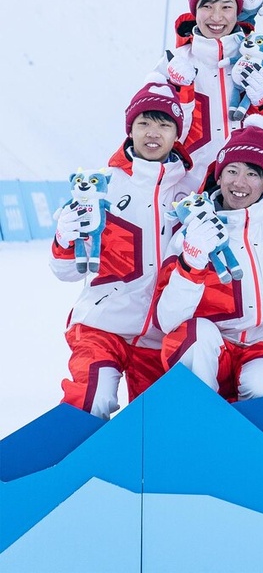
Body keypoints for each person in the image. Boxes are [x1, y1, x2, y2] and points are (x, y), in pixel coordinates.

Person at [52, 76, 196, 419]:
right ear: (130, 129)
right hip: (103, 326)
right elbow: (65, 271)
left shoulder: (190, 193)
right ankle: (71, 468)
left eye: (163, 125)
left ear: (176, 135)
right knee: (92, 400)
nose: (152, 133)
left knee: (158, 424)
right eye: (143, 123)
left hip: (159, 337)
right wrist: (63, 239)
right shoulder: (102, 187)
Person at [155, 120, 263, 401]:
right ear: (219, 176)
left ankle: (251, 442)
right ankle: (202, 423)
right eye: (232, 171)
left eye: (252, 174)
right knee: (192, 339)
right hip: (217, 341)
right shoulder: (193, 228)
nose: (239, 182)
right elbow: (167, 320)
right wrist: (192, 262)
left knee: (262, 389)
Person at [161, 0, 263, 184]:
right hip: (190, 191)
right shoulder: (175, 62)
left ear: (238, 10)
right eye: (207, 6)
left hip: (245, 193)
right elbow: (158, 136)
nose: (216, 17)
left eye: (226, 7)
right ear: (195, 10)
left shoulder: (262, 57)